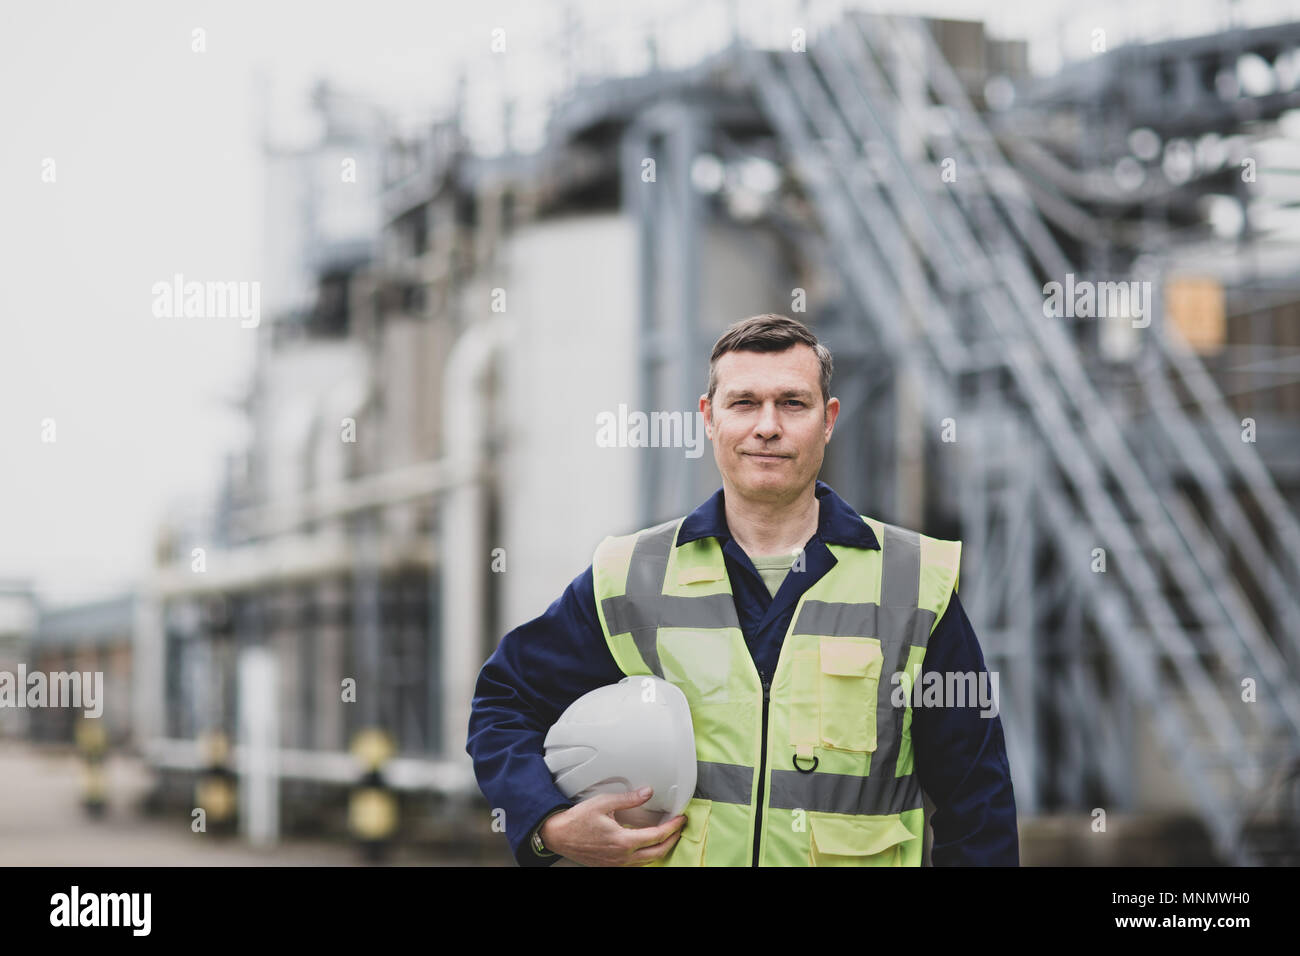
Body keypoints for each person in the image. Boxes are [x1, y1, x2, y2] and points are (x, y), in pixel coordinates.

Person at [466, 313, 1018, 866]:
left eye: (793, 404)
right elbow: (504, 701)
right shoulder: (631, 575)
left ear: (828, 421)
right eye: (744, 403)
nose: (768, 426)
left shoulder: (914, 581)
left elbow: (979, 804)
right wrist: (548, 824)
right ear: (709, 419)